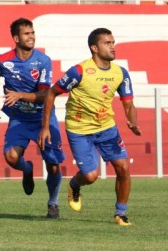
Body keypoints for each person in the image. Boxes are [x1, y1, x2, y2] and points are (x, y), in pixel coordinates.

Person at [39, 27, 141, 227]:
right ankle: (74, 184)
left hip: (107, 128)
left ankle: (121, 213)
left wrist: (133, 120)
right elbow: (51, 93)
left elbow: (129, 104)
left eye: (113, 43)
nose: (113, 47)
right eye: (107, 43)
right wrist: (44, 127)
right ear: (94, 48)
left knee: (123, 168)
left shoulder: (120, 73)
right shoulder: (79, 71)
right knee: (91, 176)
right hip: (79, 130)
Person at [0, 18, 65, 219]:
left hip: (43, 118)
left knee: (53, 165)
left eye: (32, 33)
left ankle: (53, 203)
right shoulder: (2, 60)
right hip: (19, 119)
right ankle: (28, 169)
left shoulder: (43, 61)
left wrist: (20, 95)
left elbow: (46, 94)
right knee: (11, 157)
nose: (31, 37)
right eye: (26, 34)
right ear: (16, 38)